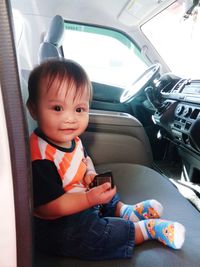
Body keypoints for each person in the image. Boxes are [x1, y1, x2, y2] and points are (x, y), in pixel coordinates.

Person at [27, 58, 185, 260]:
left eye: (79, 109)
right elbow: (48, 207)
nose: (70, 118)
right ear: (33, 109)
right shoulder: (40, 156)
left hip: (81, 199)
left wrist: (91, 175)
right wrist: (88, 199)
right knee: (92, 236)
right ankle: (145, 230)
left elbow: (84, 159)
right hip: (58, 223)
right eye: (57, 108)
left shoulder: (71, 138)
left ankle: (125, 211)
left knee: (105, 190)